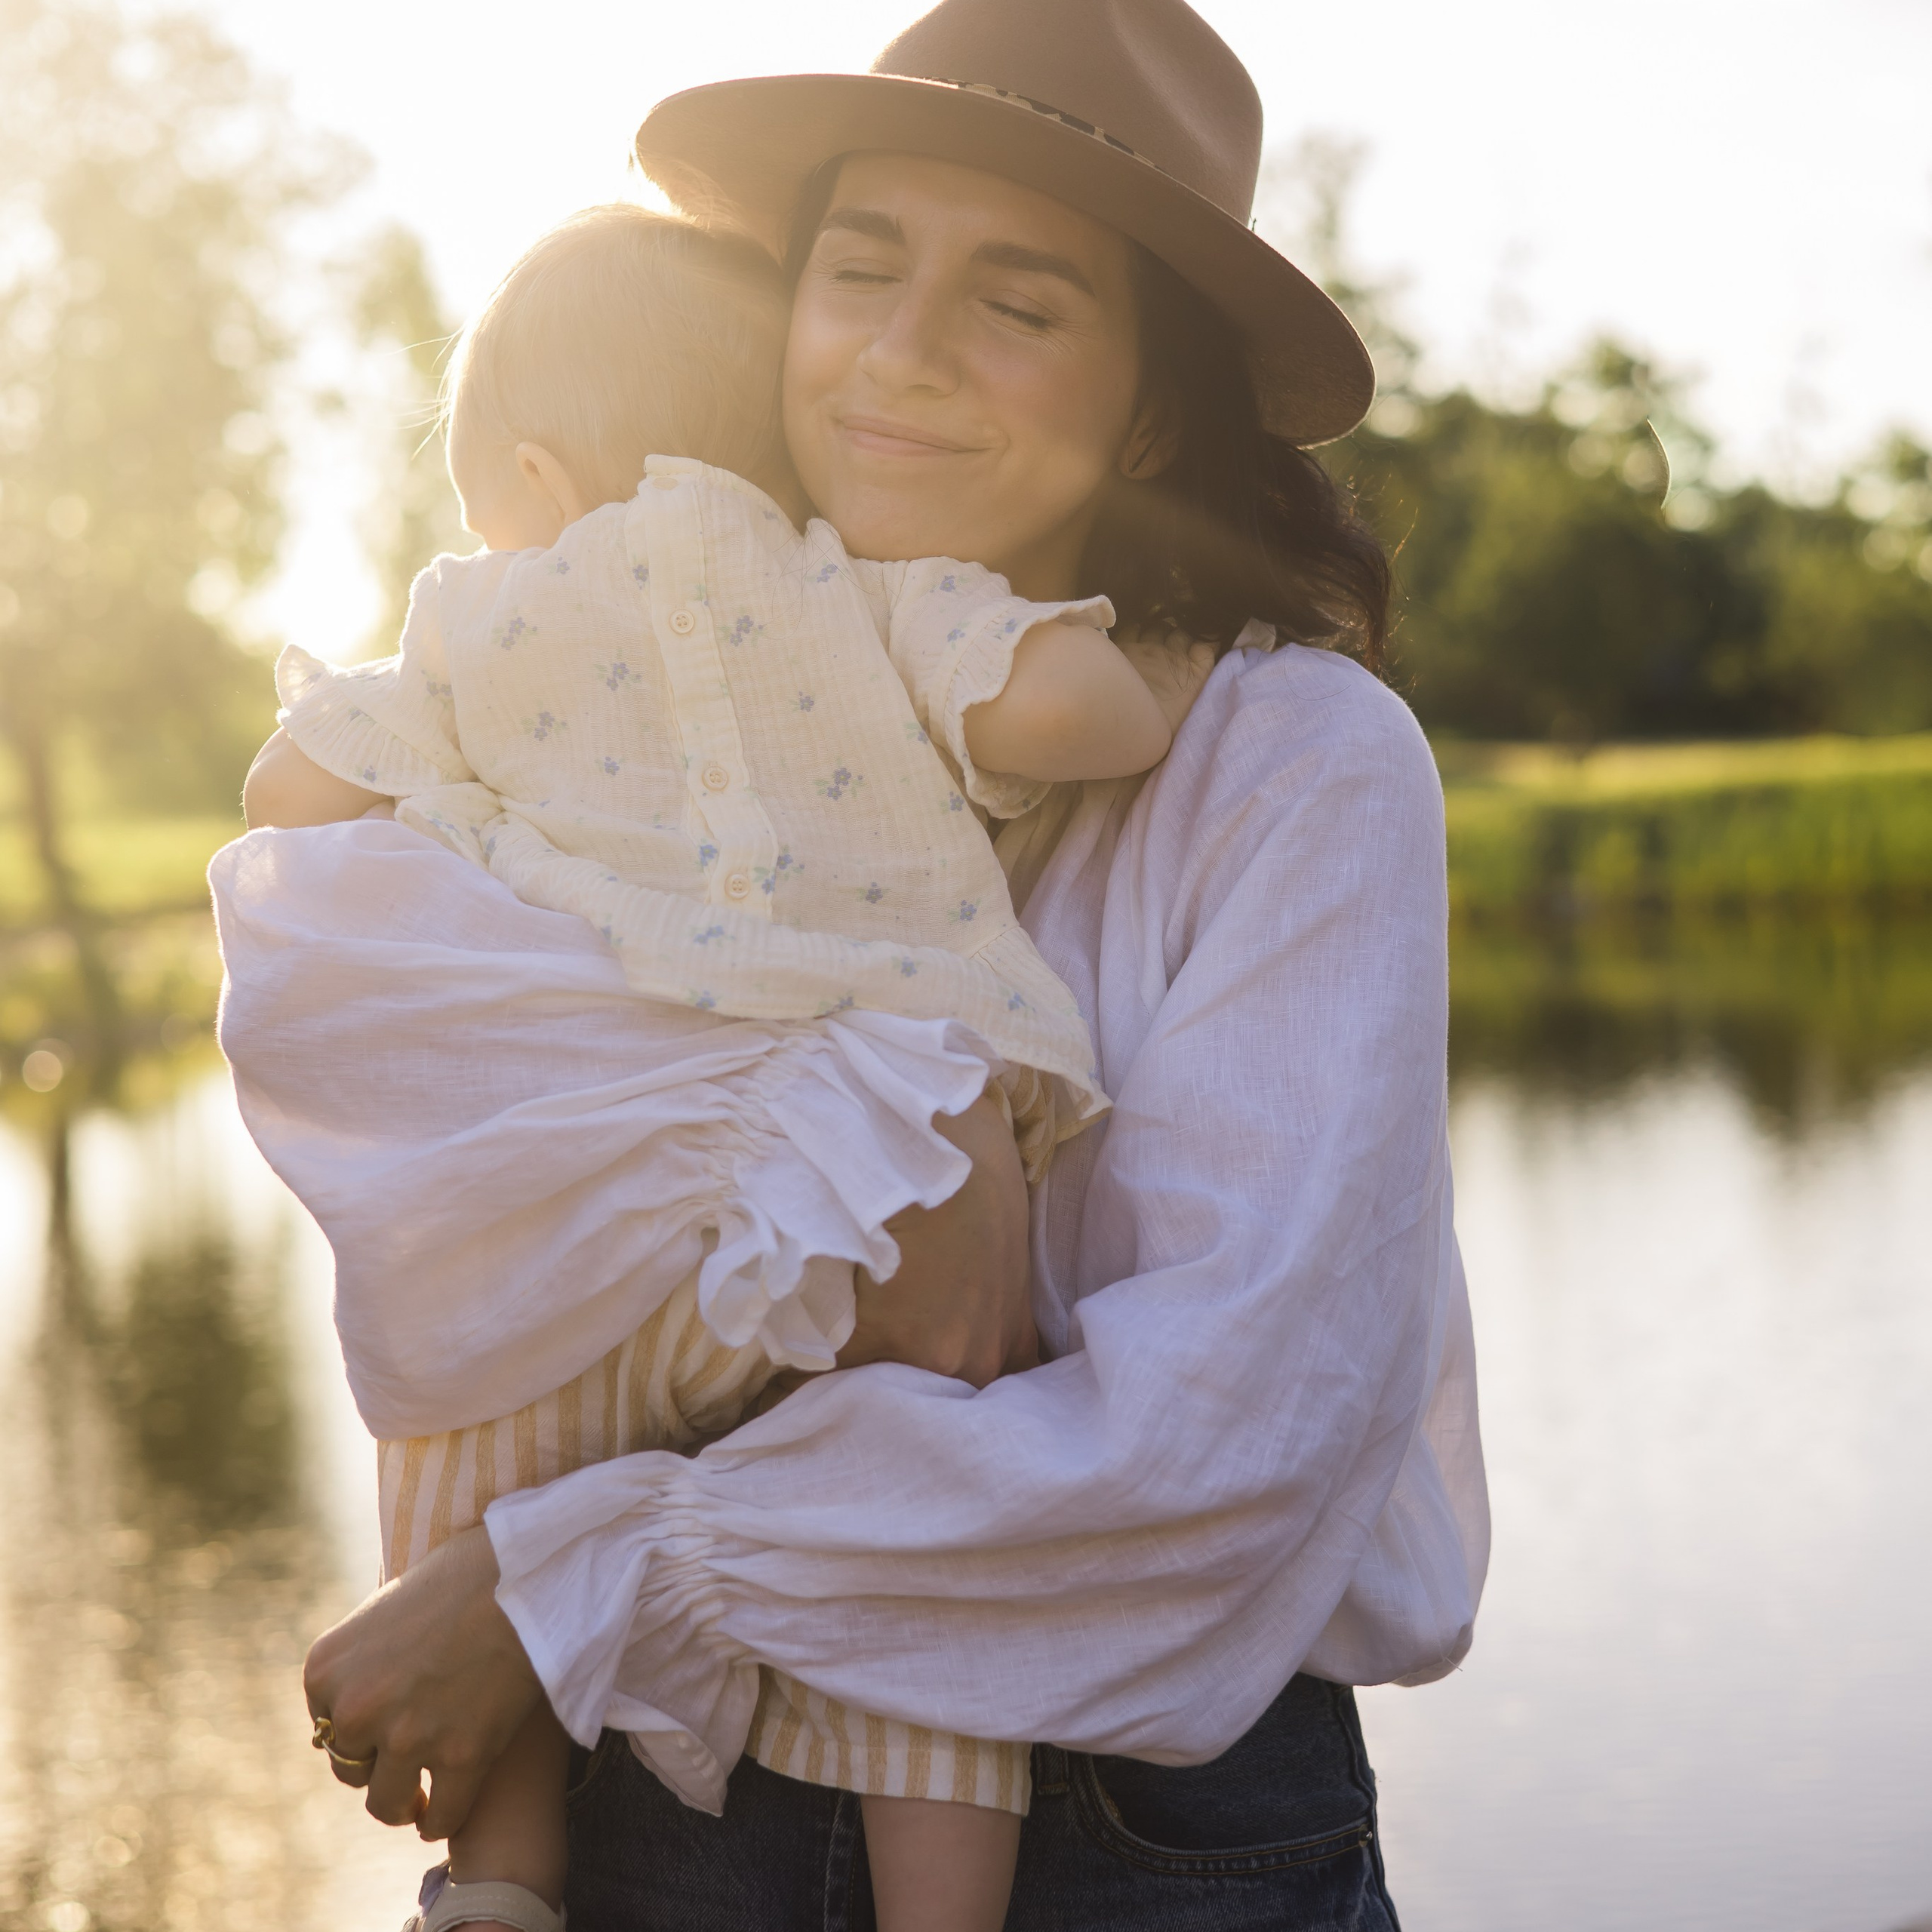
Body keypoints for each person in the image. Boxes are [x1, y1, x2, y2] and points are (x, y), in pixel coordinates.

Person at [300, 1, 1491, 1926]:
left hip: (1128, 1822)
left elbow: (1218, 1447)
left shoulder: (1293, 762)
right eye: (858, 267)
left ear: (1152, 408)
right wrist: (838, 1142)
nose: (901, 352)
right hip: (660, 1789)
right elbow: (389, 1078)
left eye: (1014, 303)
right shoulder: (608, 687)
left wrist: (570, 1571)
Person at [225, 204, 1219, 1932]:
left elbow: (283, 808)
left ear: (525, 471)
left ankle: (505, 1879)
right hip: (880, 1169)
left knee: (464, 1428)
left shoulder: (474, 618)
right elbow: (1089, 723)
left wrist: (466, 791)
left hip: (610, 1210)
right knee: (918, 1539)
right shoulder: (854, 586)